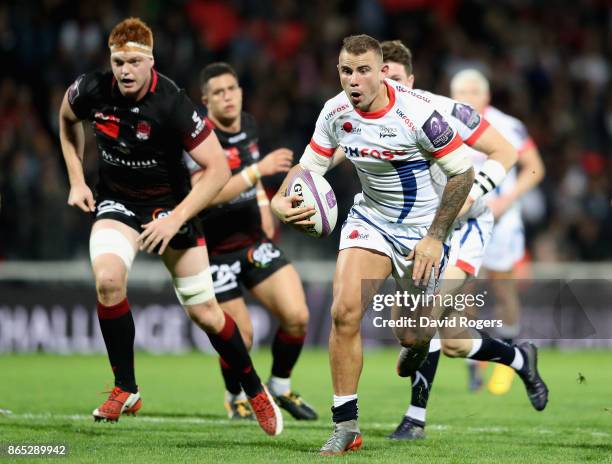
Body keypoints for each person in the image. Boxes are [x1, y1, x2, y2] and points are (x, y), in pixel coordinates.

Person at [57, 17, 282, 436]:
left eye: (134, 62)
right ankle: (125, 387)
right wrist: (75, 179)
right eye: (118, 61)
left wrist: (176, 218)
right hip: (118, 202)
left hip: (171, 209)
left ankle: (255, 390)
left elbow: (217, 170)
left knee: (207, 315)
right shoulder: (90, 88)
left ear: (151, 62)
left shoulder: (175, 104)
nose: (125, 70)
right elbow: (66, 118)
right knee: (107, 280)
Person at [271, 34, 479, 455]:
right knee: (344, 312)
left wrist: (436, 237)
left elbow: (463, 173)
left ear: (382, 71)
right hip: (370, 220)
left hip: (422, 232)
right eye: (346, 71)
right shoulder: (334, 112)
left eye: (363, 70)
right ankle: (345, 425)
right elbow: (309, 169)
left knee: (412, 336)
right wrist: (280, 200)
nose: (353, 80)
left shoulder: (418, 114)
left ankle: (418, 346)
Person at [380, 40, 548, 441]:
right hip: (423, 228)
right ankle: (520, 358)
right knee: (453, 341)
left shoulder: (440, 110)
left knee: (427, 318)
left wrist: (481, 192)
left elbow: (508, 154)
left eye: (396, 78)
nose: (388, 86)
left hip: (467, 226)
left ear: (412, 81)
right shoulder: (373, 119)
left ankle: (414, 418)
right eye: (381, 77)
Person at [183, 62, 317, 421]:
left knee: (298, 317)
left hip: (252, 243)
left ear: (241, 91)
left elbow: (252, 178)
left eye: (232, 89)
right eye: (219, 92)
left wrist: (263, 207)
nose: (228, 97)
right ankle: (234, 396)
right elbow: (204, 194)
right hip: (212, 254)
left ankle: (281, 386)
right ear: (205, 99)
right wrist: (257, 172)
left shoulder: (250, 125)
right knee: (240, 338)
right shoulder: (198, 137)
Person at [450, 69, 545, 395]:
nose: (468, 96)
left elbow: (535, 168)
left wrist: (508, 199)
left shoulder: (507, 125)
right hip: (462, 220)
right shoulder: (443, 123)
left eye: (474, 90)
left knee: (504, 291)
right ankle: (473, 366)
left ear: (487, 96)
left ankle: (509, 357)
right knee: (465, 292)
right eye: (461, 91)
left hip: (501, 220)